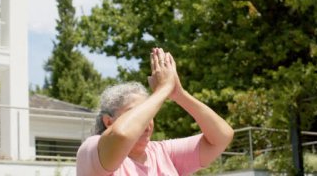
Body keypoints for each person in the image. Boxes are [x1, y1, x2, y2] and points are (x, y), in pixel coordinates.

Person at [76, 48, 234, 175]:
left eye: (149, 114)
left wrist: (178, 94)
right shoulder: (92, 150)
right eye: (136, 113)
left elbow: (222, 137)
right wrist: (163, 90)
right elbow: (121, 135)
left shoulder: (163, 152)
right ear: (108, 121)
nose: (146, 123)